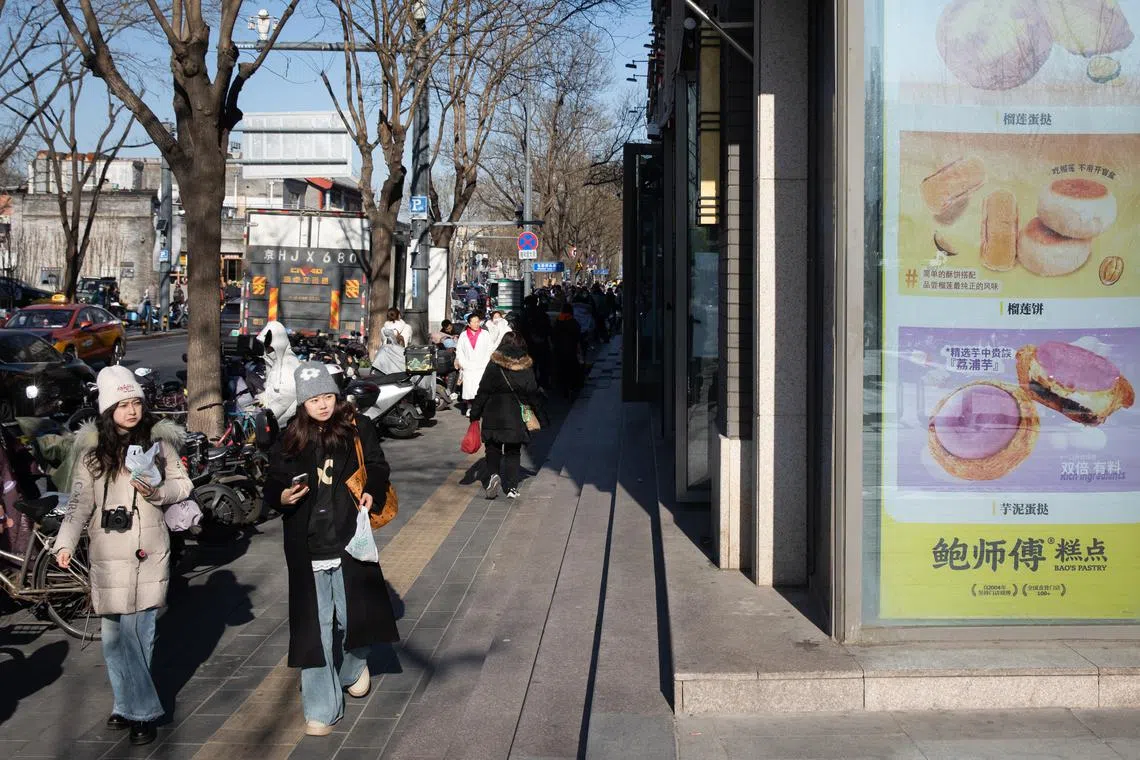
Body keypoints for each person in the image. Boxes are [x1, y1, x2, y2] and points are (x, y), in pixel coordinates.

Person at [53, 366, 193, 746]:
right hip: (107, 552)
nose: (131, 411)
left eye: (136, 403)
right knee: (114, 637)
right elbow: (79, 504)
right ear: (107, 408)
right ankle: (123, 702)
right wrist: (64, 543)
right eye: (122, 404)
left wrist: (157, 492)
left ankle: (143, 712)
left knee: (140, 633)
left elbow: (184, 484)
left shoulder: (159, 444)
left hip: (149, 551)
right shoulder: (92, 453)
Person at [264, 363, 399, 737]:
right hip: (306, 545)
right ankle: (321, 708)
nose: (322, 406)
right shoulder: (291, 435)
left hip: (348, 539)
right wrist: (282, 495)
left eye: (327, 397)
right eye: (313, 400)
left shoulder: (359, 428)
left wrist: (372, 486)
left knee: (358, 618)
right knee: (315, 627)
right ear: (302, 403)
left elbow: (376, 464)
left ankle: (354, 666)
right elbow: (273, 477)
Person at [470, 332, 545, 500]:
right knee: (513, 451)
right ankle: (511, 487)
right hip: (515, 416)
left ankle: (494, 475)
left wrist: (475, 413)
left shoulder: (494, 363)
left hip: (492, 413)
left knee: (493, 448)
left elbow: (483, 390)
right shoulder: (525, 365)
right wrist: (540, 415)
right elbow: (532, 392)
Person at [257, 321, 301, 424]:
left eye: (270, 347)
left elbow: (286, 396)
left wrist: (268, 415)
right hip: (277, 422)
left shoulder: (289, 363)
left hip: (286, 424)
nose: (267, 350)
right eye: (266, 347)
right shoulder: (276, 362)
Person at [455, 312, 495, 412]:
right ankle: (470, 407)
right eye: (474, 322)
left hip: (482, 365)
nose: (476, 324)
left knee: (481, 388)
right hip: (468, 366)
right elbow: (459, 350)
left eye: (478, 322)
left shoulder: (485, 334)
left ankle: (482, 408)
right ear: (469, 323)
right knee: (469, 389)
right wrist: (462, 363)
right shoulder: (463, 335)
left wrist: (488, 362)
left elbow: (490, 349)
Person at [551, 303, 583, 398]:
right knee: (572, 370)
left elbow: (553, 335)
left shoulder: (557, 321)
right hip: (571, 350)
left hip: (559, 351)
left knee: (561, 370)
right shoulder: (573, 322)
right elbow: (578, 336)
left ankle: (563, 389)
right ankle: (572, 387)